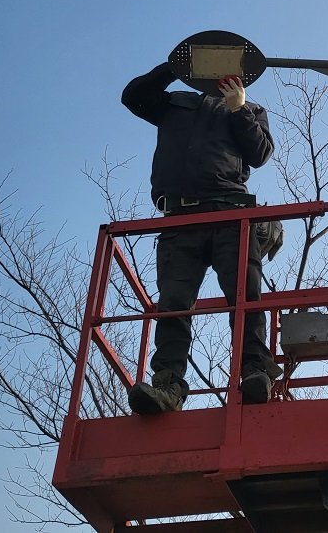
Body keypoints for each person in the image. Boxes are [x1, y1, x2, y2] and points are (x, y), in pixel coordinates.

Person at [122, 61, 278, 414]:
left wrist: (239, 110)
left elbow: (261, 153)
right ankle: (168, 383)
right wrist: (173, 68)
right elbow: (133, 97)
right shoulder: (174, 103)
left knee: (245, 294)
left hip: (231, 214)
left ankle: (254, 371)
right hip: (180, 218)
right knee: (174, 300)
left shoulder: (249, 109)